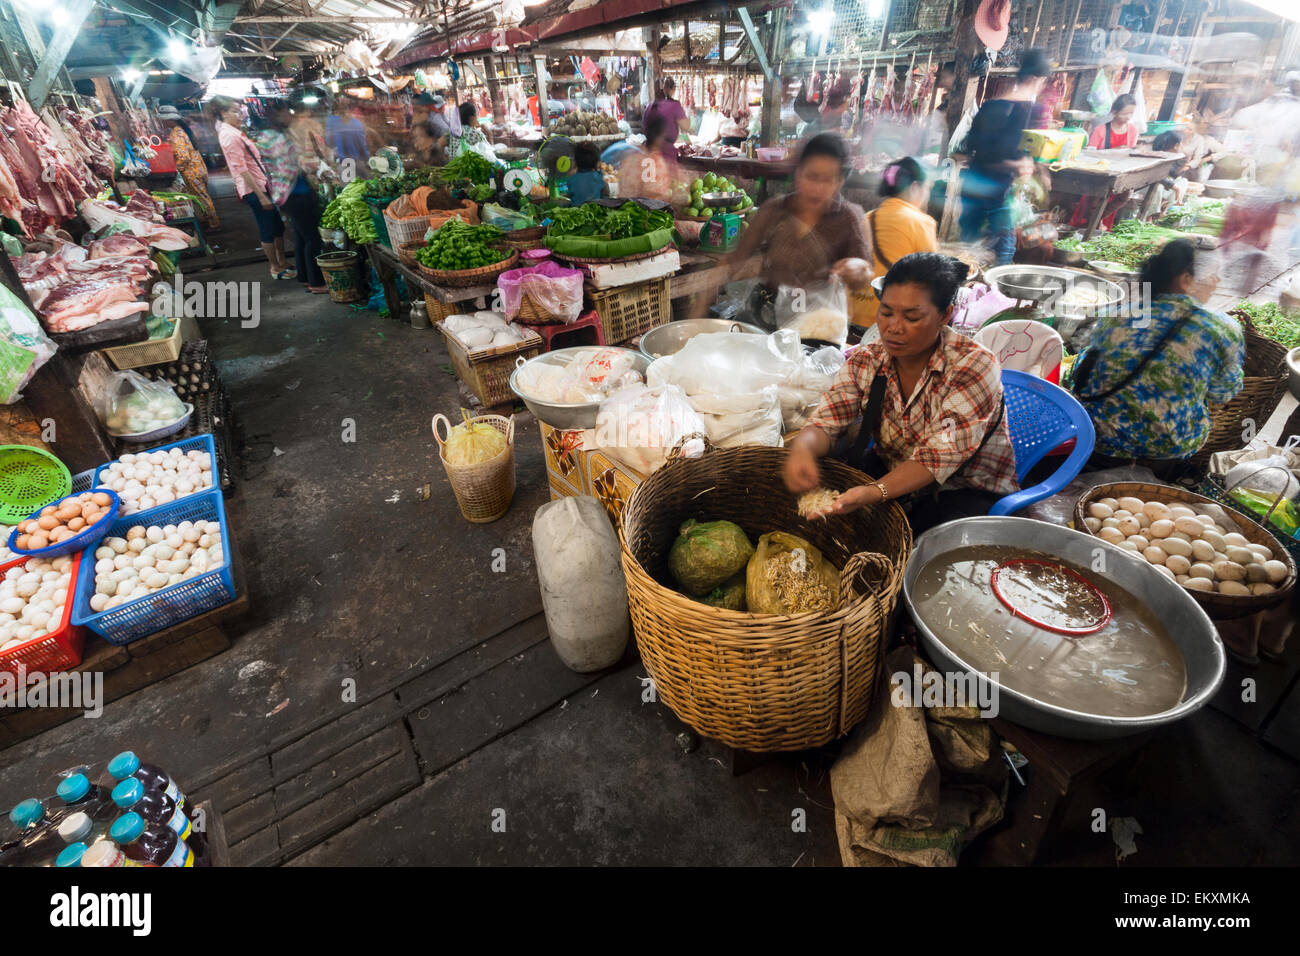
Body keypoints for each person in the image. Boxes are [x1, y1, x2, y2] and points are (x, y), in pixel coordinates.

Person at [784, 253, 1019, 534]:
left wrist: (875, 492)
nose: (893, 327)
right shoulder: (867, 360)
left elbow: (939, 457)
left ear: (946, 314)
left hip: (962, 488)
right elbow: (828, 419)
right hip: (893, 466)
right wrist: (802, 448)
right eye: (886, 312)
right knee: (826, 526)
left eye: (912, 317)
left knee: (908, 550)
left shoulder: (973, 367)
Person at [1071, 240, 1244, 478]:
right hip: (1168, 445)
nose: (1217, 281)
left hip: (1101, 437)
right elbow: (1222, 393)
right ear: (1185, 279)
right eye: (1213, 274)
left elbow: (1084, 369)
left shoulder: (1116, 315)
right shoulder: (1221, 328)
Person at [712, 132, 871, 303]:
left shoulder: (848, 218)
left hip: (821, 321)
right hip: (770, 315)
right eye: (811, 176)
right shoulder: (774, 210)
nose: (817, 188)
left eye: (828, 180)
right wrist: (710, 287)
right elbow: (737, 258)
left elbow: (864, 275)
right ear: (798, 173)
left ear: (839, 181)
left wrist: (858, 269)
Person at [957, 48, 1053, 264]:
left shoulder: (990, 105)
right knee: (1003, 248)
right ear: (1034, 79)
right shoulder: (1033, 111)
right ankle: (996, 292)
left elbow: (970, 147)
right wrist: (1024, 165)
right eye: (1042, 80)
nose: (1043, 85)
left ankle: (968, 287)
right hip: (1001, 188)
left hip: (973, 184)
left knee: (968, 246)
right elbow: (1033, 151)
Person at [211, 95, 292, 279]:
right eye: (234, 111)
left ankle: (282, 262)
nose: (240, 115)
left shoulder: (233, 131)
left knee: (277, 226)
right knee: (267, 228)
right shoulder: (229, 135)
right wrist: (261, 196)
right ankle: (275, 268)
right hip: (253, 189)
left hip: (261, 183)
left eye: (240, 111)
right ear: (223, 113)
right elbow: (242, 170)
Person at [860, 157, 939, 326]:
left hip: (852, 316)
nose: (926, 196)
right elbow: (934, 275)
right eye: (927, 189)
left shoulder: (866, 218)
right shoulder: (921, 222)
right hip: (888, 321)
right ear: (915, 187)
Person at [260, 104, 328, 294]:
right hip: (296, 192)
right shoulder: (277, 138)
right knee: (313, 238)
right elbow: (293, 165)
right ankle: (316, 282)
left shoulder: (266, 136)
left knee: (300, 236)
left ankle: (305, 277)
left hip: (284, 194)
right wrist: (315, 168)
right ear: (277, 115)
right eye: (285, 112)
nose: (289, 115)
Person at [1068, 94, 1140, 230]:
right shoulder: (1100, 131)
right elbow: (1089, 154)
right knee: (1092, 205)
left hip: (1120, 174)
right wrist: (1114, 151)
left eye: (1131, 113)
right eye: (1125, 113)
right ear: (1114, 111)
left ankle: (1099, 222)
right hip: (1099, 176)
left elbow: (1131, 152)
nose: (1129, 117)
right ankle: (1088, 227)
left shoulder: (1132, 130)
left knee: (1123, 197)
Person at [157, 105, 218, 231]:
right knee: (204, 196)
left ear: (169, 120)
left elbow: (184, 157)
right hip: (199, 168)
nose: (162, 122)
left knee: (203, 198)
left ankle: (214, 224)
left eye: (163, 120)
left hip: (191, 172)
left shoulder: (176, 134)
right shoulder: (182, 130)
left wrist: (176, 169)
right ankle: (211, 222)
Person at [618, 113, 675, 202]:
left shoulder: (631, 157)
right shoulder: (654, 161)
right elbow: (652, 196)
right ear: (662, 136)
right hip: (642, 213)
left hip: (624, 209)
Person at [642, 76, 689, 162]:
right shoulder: (674, 105)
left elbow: (644, 126)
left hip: (648, 152)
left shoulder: (649, 106)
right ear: (672, 89)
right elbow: (686, 127)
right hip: (666, 155)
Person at [326, 99, 370, 173]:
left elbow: (329, 142)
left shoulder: (332, 122)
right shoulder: (357, 124)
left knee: (348, 183)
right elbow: (362, 146)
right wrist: (367, 159)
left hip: (343, 163)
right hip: (355, 161)